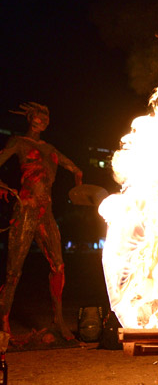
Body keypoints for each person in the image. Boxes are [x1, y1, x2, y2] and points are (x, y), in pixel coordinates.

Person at [0, 102, 83, 340]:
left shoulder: (50, 149)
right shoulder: (19, 142)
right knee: (14, 270)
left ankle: (58, 321)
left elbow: (75, 168)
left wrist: (79, 186)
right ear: (30, 118)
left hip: (46, 212)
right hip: (26, 208)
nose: (44, 120)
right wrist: (7, 189)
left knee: (58, 265)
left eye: (47, 117)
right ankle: (4, 324)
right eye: (39, 116)